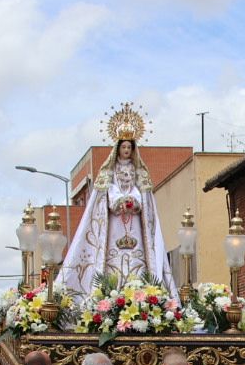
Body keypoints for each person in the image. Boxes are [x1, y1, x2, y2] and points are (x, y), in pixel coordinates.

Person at [56, 110, 178, 293]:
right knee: (111, 256)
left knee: (138, 258)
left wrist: (134, 201)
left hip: (135, 221)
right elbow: (107, 191)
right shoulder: (108, 171)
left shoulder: (140, 171)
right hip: (115, 220)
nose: (127, 150)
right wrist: (118, 201)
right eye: (124, 147)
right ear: (118, 148)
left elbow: (144, 195)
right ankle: (109, 290)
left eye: (130, 147)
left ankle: (141, 290)